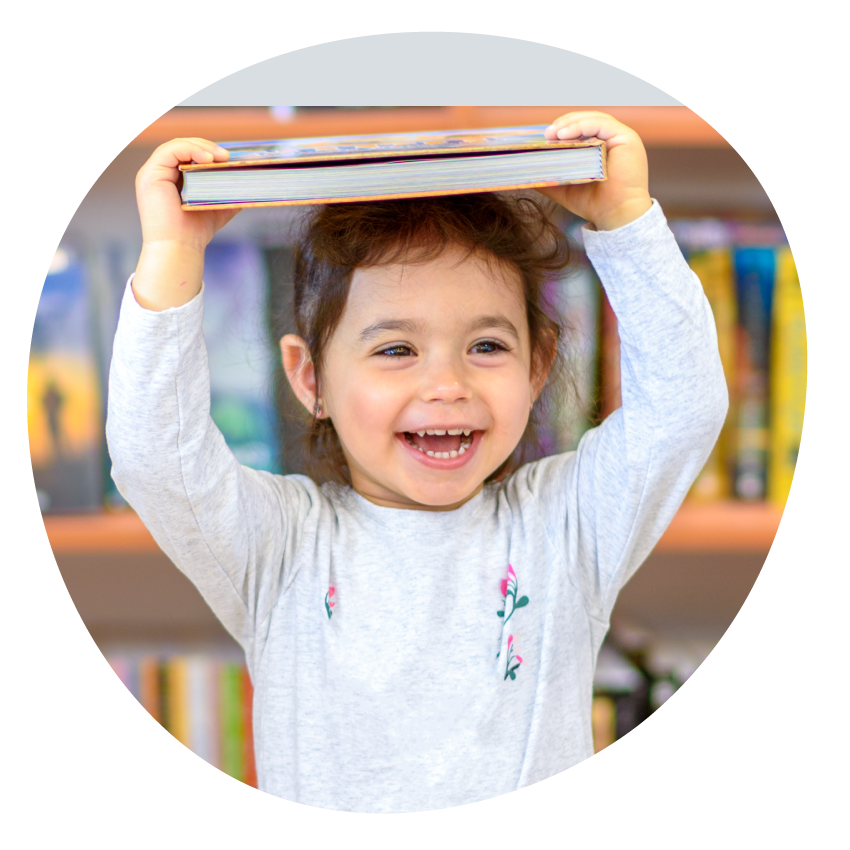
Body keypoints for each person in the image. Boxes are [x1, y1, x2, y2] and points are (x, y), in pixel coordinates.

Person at [107, 112, 728, 811]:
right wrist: (170, 253)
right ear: (310, 379)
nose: (447, 385)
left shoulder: (567, 526)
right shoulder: (279, 547)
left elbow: (683, 409)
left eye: (487, 346)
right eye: (396, 349)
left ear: (538, 367)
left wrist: (624, 219)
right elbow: (155, 459)